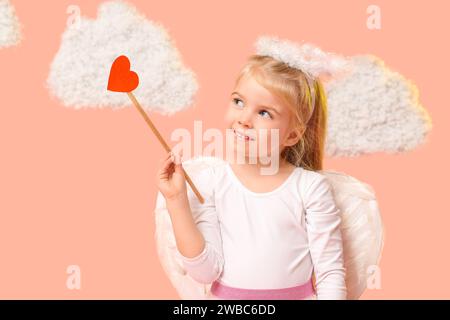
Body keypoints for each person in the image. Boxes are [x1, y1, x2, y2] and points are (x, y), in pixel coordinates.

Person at [156, 41, 347, 300]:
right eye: (238, 101)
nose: (244, 119)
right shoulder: (212, 181)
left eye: (265, 113)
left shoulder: (309, 188)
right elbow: (205, 272)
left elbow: (330, 273)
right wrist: (176, 201)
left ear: (292, 134)